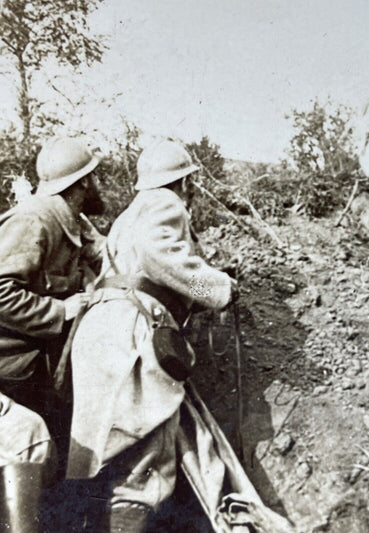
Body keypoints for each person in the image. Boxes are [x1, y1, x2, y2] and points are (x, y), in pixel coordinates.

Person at [67, 140, 238, 532]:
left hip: (100, 329)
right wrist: (219, 288)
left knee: (103, 457)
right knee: (144, 469)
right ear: (182, 182)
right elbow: (156, 253)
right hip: (133, 332)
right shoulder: (167, 204)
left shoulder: (130, 213)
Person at [0, 136, 106, 532]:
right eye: (92, 180)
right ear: (80, 185)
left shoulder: (72, 221)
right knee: (27, 451)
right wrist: (61, 310)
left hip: (39, 371)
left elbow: (112, 255)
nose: (97, 187)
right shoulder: (34, 220)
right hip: (11, 371)